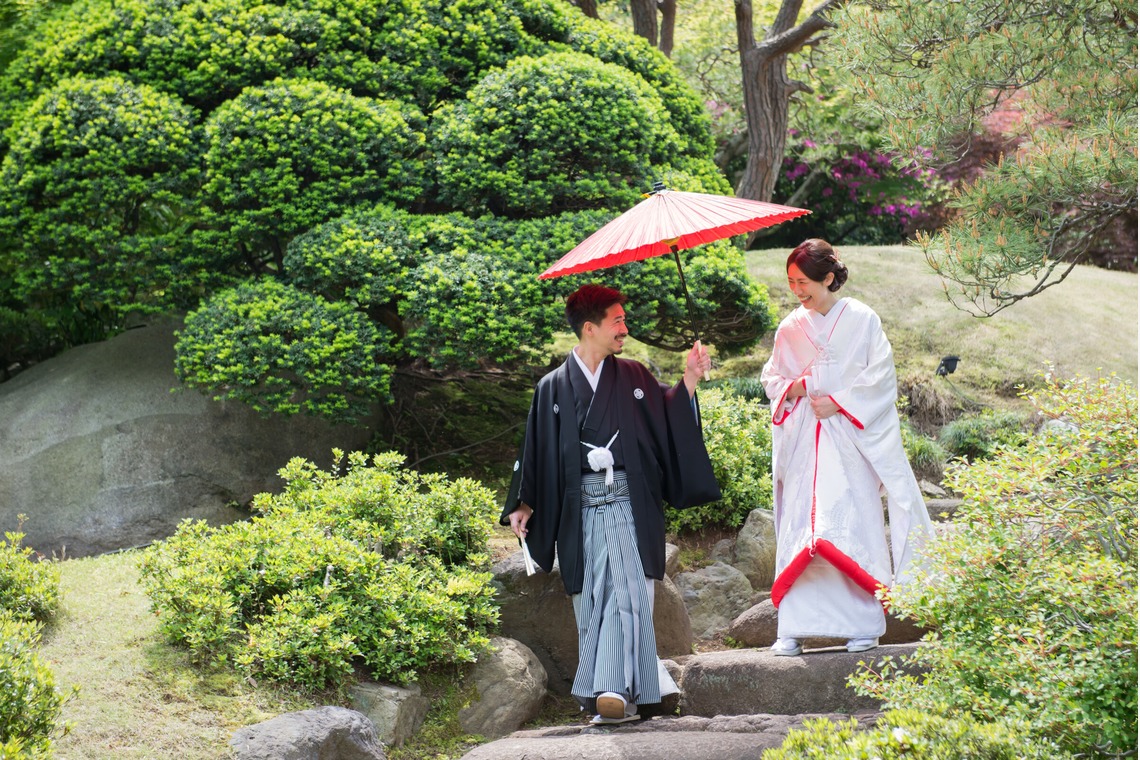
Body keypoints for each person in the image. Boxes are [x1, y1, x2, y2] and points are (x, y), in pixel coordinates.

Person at [501, 283, 721, 724]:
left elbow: (668, 414)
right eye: (616, 321)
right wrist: (523, 502)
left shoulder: (635, 376)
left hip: (626, 501)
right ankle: (636, 692)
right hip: (577, 508)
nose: (625, 328)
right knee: (591, 599)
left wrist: (691, 378)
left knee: (627, 592)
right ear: (590, 328)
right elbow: (536, 447)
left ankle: (608, 691)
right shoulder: (552, 387)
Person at [759, 239, 933, 657]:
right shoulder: (789, 328)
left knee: (850, 523)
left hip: (849, 440)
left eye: (804, 283)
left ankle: (863, 625)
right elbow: (772, 380)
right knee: (804, 525)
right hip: (806, 441)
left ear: (829, 278)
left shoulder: (862, 319)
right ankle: (795, 628)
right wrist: (802, 387)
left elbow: (880, 379)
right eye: (791, 283)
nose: (797, 291)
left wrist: (837, 400)